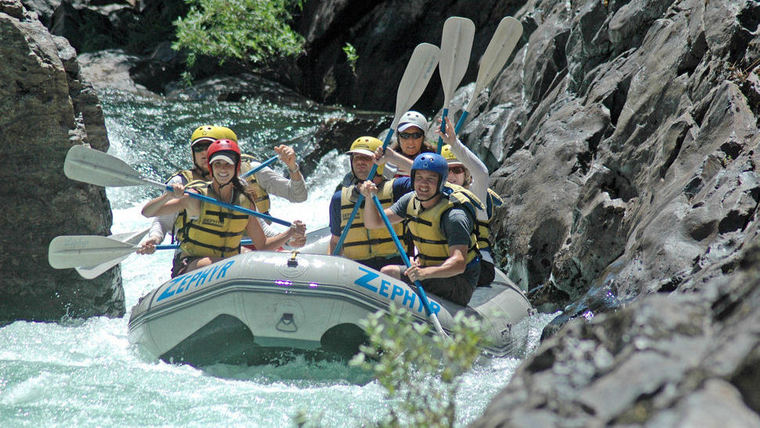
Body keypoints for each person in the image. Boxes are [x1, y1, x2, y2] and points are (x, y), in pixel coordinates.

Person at [142, 139, 306, 277]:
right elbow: (147, 212)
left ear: (236, 168)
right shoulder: (195, 197)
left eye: (228, 164)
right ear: (211, 168)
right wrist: (168, 196)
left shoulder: (244, 201)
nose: (222, 169)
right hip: (192, 264)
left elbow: (262, 245)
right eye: (217, 164)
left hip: (230, 262)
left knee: (255, 260)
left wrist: (290, 233)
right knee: (238, 263)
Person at [358, 152, 483, 306]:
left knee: (396, 276)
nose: (423, 184)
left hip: (458, 281)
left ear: (441, 182)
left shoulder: (454, 215)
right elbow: (373, 222)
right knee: (387, 272)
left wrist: (424, 273)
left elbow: (459, 263)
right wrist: (369, 198)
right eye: (419, 178)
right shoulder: (410, 200)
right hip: (427, 270)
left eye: (430, 179)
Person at [328, 137, 413, 271]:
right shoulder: (339, 199)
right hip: (357, 270)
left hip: (394, 265)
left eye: (367, 158)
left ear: (380, 163)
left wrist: (393, 157)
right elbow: (336, 241)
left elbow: (426, 176)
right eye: (356, 158)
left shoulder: (399, 188)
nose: (360, 162)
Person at [438, 117, 503, 285]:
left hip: (479, 265)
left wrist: (454, 144)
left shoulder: (475, 193)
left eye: (457, 169)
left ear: (466, 172)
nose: (451, 175)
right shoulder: (434, 196)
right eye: (446, 170)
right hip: (446, 264)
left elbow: (482, 173)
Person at [380, 111, 436, 176]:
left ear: (423, 137)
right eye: (405, 135)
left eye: (416, 135)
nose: (410, 141)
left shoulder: (434, 158)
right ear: (398, 137)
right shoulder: (386, 159)